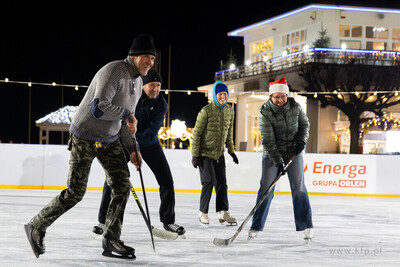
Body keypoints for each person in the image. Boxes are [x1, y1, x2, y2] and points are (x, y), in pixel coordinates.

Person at [24, 34, 157, 259]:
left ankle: (111, 239)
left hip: (109, 139)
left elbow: (126, 123)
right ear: (134, 56)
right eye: (146, 57)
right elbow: (99, 108)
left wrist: (133, 149)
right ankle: (36, 225)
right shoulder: (114, 72)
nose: (150, 63)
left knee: (122, 186)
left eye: (153, 59)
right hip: (84, 136)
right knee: (75, 192)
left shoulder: (137, 82)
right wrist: (126, 114)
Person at [92, 69, 185, 236]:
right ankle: (102, 220)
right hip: (126, 143)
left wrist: (135, 140)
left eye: (158, 85)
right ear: (143, 85)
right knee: (112, 179)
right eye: (152, 85)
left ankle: (168, 221)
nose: (156, 89)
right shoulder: (130, 98)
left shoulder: (161, 105)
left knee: (167, 181)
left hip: (149, 144)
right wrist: (126, 141)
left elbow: (151, 133)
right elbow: (118, 121)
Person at [247, 77, 314, 241]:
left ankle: (306, 226)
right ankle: (256, 226)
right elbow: (268, 141)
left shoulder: (295, 107)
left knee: (299, 188)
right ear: (271, 97)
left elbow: (305, 125)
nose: (279, 99)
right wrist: (278, 161)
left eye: (282, 96)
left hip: (293, 153)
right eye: (276, 97)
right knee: (266, 189)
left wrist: (301, 141)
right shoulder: (265, 112)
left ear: (287, 95)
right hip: (272, 155)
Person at [191, 81, 239, 226]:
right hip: (205, 153)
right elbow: (197, 133)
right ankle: (203, 213)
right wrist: (195, 154)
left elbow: (229, 134)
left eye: (225, 94)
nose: (223, 97)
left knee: (222, 183)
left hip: (219, 154)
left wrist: (231, 151)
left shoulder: (230, 111)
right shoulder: (206, 111)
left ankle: (223, 212)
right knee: (209, 181)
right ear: (215, 95)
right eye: (220, 94)